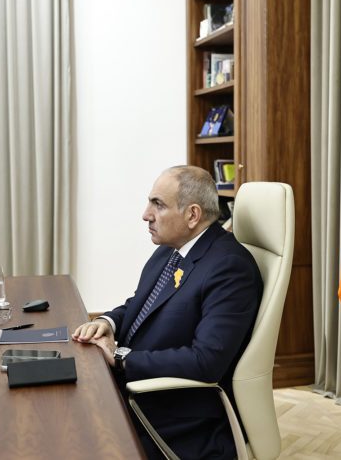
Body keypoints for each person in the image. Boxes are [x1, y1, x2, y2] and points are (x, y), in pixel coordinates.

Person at [73, 165, 263, 460]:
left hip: (175, 414)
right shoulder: (171, 249)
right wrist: (107, 322)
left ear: (192, 215)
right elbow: (140, 304)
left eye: (158, 205)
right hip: (137, 387)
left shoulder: (230, 267)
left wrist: (122, 358)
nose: (145, 214)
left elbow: (206, 361)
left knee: (64, 431)